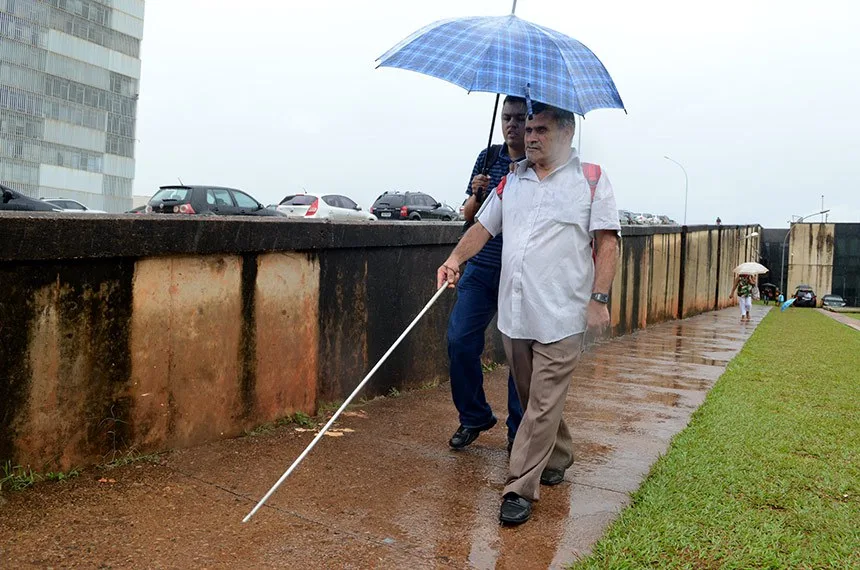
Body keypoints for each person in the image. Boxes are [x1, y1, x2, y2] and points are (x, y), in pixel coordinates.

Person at [437, 101, 621, 525]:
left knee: (539, 402)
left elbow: (608, 244)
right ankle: (558, 455)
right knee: (531, 396)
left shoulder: (590, 180)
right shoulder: (510, 182)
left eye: (540, 130)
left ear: (567, 134)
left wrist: (599, 298)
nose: (531, 136)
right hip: (516, 314)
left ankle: (519, 486)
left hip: (563, 314)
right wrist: (454, 260)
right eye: (529, 129)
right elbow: (482, 228)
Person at [446, 96, 527, 453]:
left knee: (518, 353)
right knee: (459, 339)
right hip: (481, 266)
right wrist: (478, 194)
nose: (511, 125)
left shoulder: (534, 163)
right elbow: (469, 215)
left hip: (518, 271)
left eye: (520, 119)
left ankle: (517, 430)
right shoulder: (489, 157)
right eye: (507, 118)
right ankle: (474, 415)